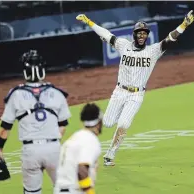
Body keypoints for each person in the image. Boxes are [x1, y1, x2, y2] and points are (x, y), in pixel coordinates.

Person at [76, 10, 194, 166]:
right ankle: (96, 119)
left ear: (147, 35)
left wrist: (184, 24)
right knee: (109, 122)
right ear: (134, 34)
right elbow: (106, 34)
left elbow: (170, 39)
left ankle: (110, 154)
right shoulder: (123, 45)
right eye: (139, 33)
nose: (142, 35)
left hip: (136, 95)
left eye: (144, 33)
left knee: (123, 124)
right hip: (119, 92)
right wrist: (89, 22)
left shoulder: (153, 51)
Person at [0, 49, 71, 193]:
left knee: (32, 191)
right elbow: (63, 125)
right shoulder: (56, 92)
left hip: (30, 151)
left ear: (25, 72)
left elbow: (5, 128)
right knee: (65, 189)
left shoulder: (16, 94)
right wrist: (50, 142)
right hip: (53, 148)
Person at [54, 103, 102, 194]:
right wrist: (90, 191)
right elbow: (82, 169)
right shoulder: (90, 140)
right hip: (74, 191)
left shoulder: (75, 137)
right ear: (99, 122)